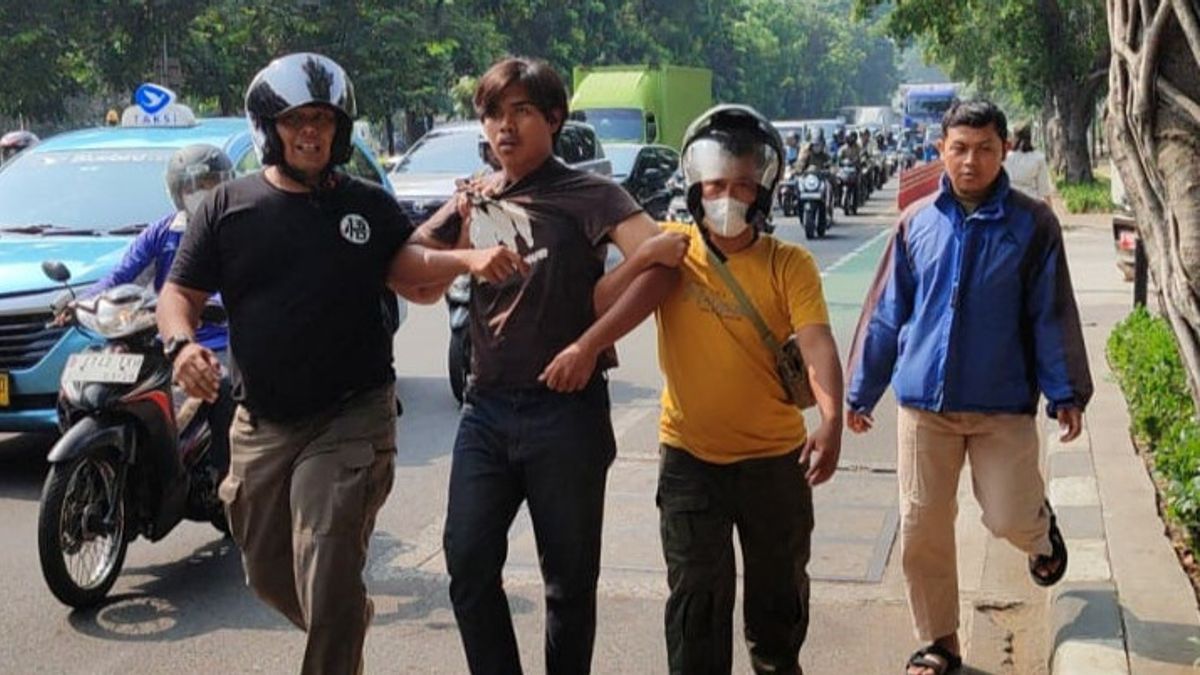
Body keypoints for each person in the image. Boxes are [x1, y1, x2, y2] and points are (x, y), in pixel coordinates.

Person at [158, 52, 521, 675]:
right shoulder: (226, 208)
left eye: (323, 120)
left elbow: (411, 275)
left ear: (341, 129)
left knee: (327, 569)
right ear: (269, 128)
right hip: (262, 421)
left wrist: (465, 259)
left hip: (351, 416)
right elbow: (177, 296)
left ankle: (336, 633)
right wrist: (182, 345)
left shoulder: (367, 204)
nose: (310, 132)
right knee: (266, 568)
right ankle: (345, 620)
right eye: (297, 119)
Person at [411, 56, 688, 674]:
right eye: (491, 114)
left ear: (554, 119)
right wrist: (465, 257)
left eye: (521, 112)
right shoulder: (474, 198)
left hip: (566, 414)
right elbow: (408, 269)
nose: (503, 127)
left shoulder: (591, 194)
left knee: (567, 584)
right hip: (484, 410)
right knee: (468, 563)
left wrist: (589, 344)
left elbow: (662, 264)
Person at [845, 100, 1092, 675]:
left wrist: (1066, 392)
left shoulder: (1033, 225)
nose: (971, 161)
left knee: (1007, 517)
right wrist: (862, 390)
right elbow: (887, 314)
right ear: (941, 152)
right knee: (921, 526)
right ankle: (940, 644)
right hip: (923, 407)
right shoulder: (915, 223)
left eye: (984, 148)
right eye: (959, 148)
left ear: (1004, 149)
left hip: (1001, 406)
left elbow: (1050, 314)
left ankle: (1040, 535)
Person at [654, 104, 843, 674]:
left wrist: (831, 419)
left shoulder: (791, 264)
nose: (727, 198)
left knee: (777, 605)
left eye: (741, 185)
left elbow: (816, 345)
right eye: (715, 185)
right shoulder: (669, 249)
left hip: (774, 465)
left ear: (763, 189)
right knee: (696, 606)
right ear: (693, 186)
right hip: (690, 461)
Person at [86, 144, 236, 472]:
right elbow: (121, 275)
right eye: (192, 186)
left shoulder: (234, 230)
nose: (200, 193)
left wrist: (216, 306)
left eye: (210, 185)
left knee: (222, 389)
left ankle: (228, 484)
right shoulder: (162, 232)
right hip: (164, 342)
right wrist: (84, 302)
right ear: (178, 191)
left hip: (216, 344)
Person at [1004, 122, 1054, 205]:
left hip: (1010, 204)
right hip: (1031, 204)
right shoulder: (1038, 158)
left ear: (1015, 137)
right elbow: (1044, 190)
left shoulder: (1006, 158)